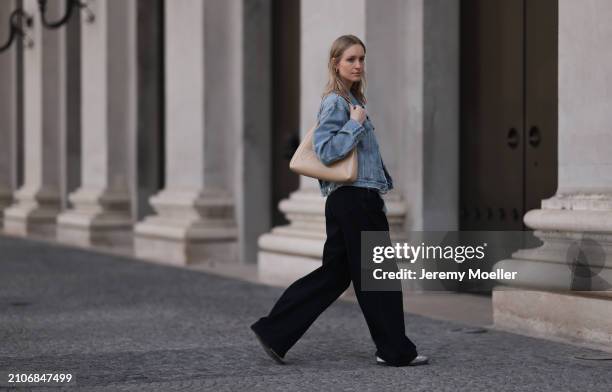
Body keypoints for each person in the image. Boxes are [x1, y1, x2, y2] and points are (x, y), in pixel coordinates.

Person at [250, 34, 428, 367]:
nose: (358, 65)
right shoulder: (336, 102)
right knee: (378, 275)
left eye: (361, 59)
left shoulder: (351, 100)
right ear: (336, 63)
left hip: (352, 200)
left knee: (334, 275)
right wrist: (354, 125)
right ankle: (394, 349)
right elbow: (327, 151)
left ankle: (275, 331)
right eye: (351, 59)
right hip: (355, 200)